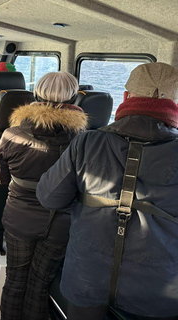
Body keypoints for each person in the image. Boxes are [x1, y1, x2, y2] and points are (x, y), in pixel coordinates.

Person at [36, 62, 178, 319]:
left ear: (125, 97)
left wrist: (84, 202)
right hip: (159, 293)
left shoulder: (87, 141)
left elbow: (48, 197)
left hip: (87, 280)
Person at [0, 72, 87, 320]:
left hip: (19, 219)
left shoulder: (12, 134)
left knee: (15, 282)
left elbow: (0, 177)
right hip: (60, 224)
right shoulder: (83, 141)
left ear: (35, 96)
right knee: (39, 286)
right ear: (74, 98)